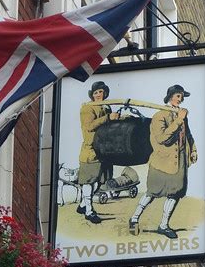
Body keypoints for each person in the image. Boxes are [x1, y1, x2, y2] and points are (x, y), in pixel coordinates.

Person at [129, 84, 197, 238]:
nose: (180, 99)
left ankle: (164, 225)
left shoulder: (182, 116)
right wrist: (179, 120)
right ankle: (134, 219)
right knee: (152, 193)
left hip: (178, 163)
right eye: (178, 96)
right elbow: (162, 138)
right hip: (161, 163)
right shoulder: (160, 116)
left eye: (182, 97)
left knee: (175, 194)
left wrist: (193, 150)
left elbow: (188, 135)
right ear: (170, 96)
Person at [77, 81, 119, 224]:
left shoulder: (106, 107)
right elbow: (88, 126)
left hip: (104, 151)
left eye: (101, 92)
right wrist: (107, 118)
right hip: (91, 150)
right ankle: (89, 211)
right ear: (92, 95)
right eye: (95, 93)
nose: (98, 95)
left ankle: (82, 205)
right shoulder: (88, 108)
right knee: (89, 182)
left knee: (98, 183)